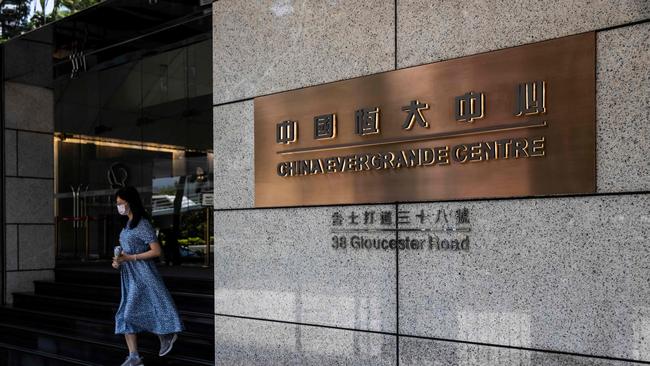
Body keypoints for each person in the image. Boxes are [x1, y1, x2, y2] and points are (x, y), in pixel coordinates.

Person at [112, 186, 184, 366]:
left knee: (129, 312)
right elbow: (125, 251)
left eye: (120, 203)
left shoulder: (142, 224)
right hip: (128, 274)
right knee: (124, 314)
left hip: (143, 273)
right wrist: (118, 261)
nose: (118, 206)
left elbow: (156, 251)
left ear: (130, 202)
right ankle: (134, 356)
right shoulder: (127, 225)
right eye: (117, 204)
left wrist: (131, 257)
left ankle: (165, 333)